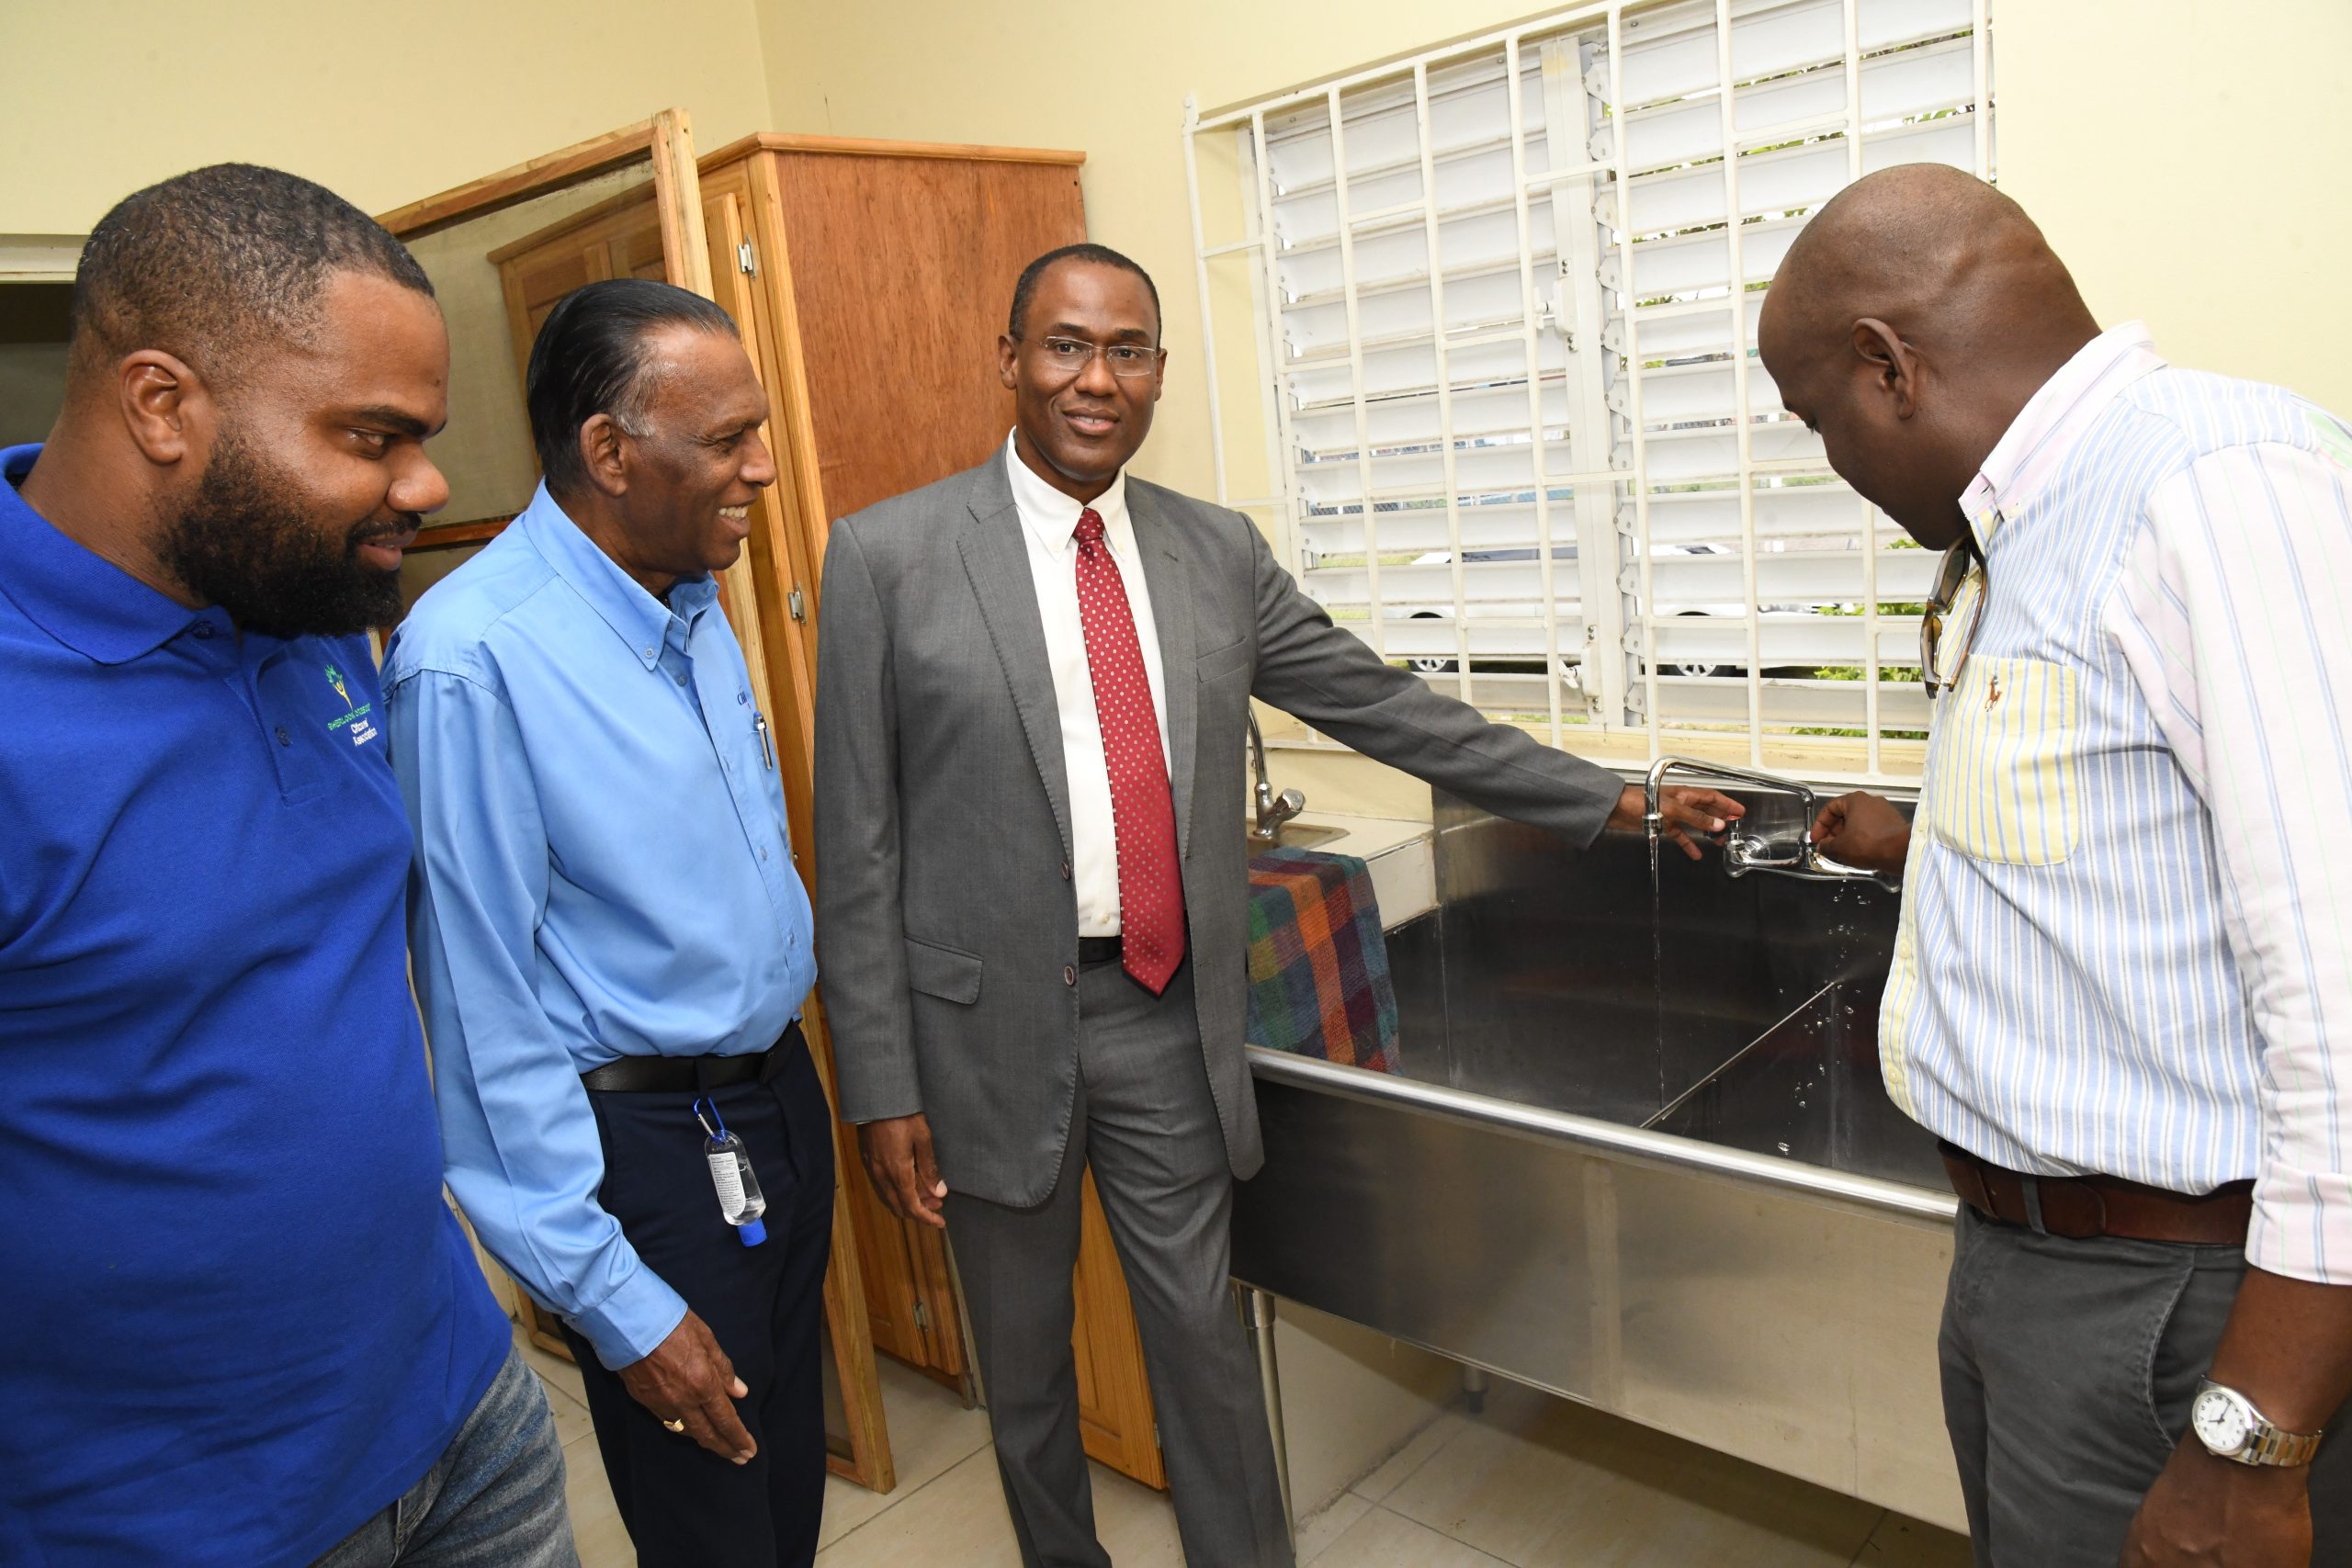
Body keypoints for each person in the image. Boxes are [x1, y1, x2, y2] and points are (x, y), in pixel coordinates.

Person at [813, 242, 1739, 1566]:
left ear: (1158, 376)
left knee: (1204, 1344)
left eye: (1127, 351)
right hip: (980, 1036)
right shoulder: (889, 557)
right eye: (1066, 345)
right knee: (1024, 1379)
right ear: (1009, 360)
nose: (1095, 379)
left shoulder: (1211, 552)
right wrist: (883, 1083)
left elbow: (1384, 703)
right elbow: (854, 843)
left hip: (1159, 1016)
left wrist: (1599, 798)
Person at [1758, 164, 2351, 1567]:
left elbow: (2343, 999)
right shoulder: (2028, 534)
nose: (1828, 460)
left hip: (2178, 1303)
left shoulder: (2213, 486)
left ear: (1886, 365)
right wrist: (1924, 837)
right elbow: (2140, 831)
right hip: (2034, 1268)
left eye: (1817, 420)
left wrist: (2253, 1433)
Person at [0, 165, 570, 1568]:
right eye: (373, 437)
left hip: (458, 1405)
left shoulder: (300, 598)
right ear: (160, 406)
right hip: (173, 1520)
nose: (427, 487)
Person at [387, 276, 831, 1568]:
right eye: (728, 438)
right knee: (714, 1522)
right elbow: (478, 1015)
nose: (762, 465)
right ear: (609, 451)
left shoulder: (691, 596)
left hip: (770, 1103)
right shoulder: (470, 661)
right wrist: (610, 1292)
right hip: (644, 1148)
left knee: (783, 1485)